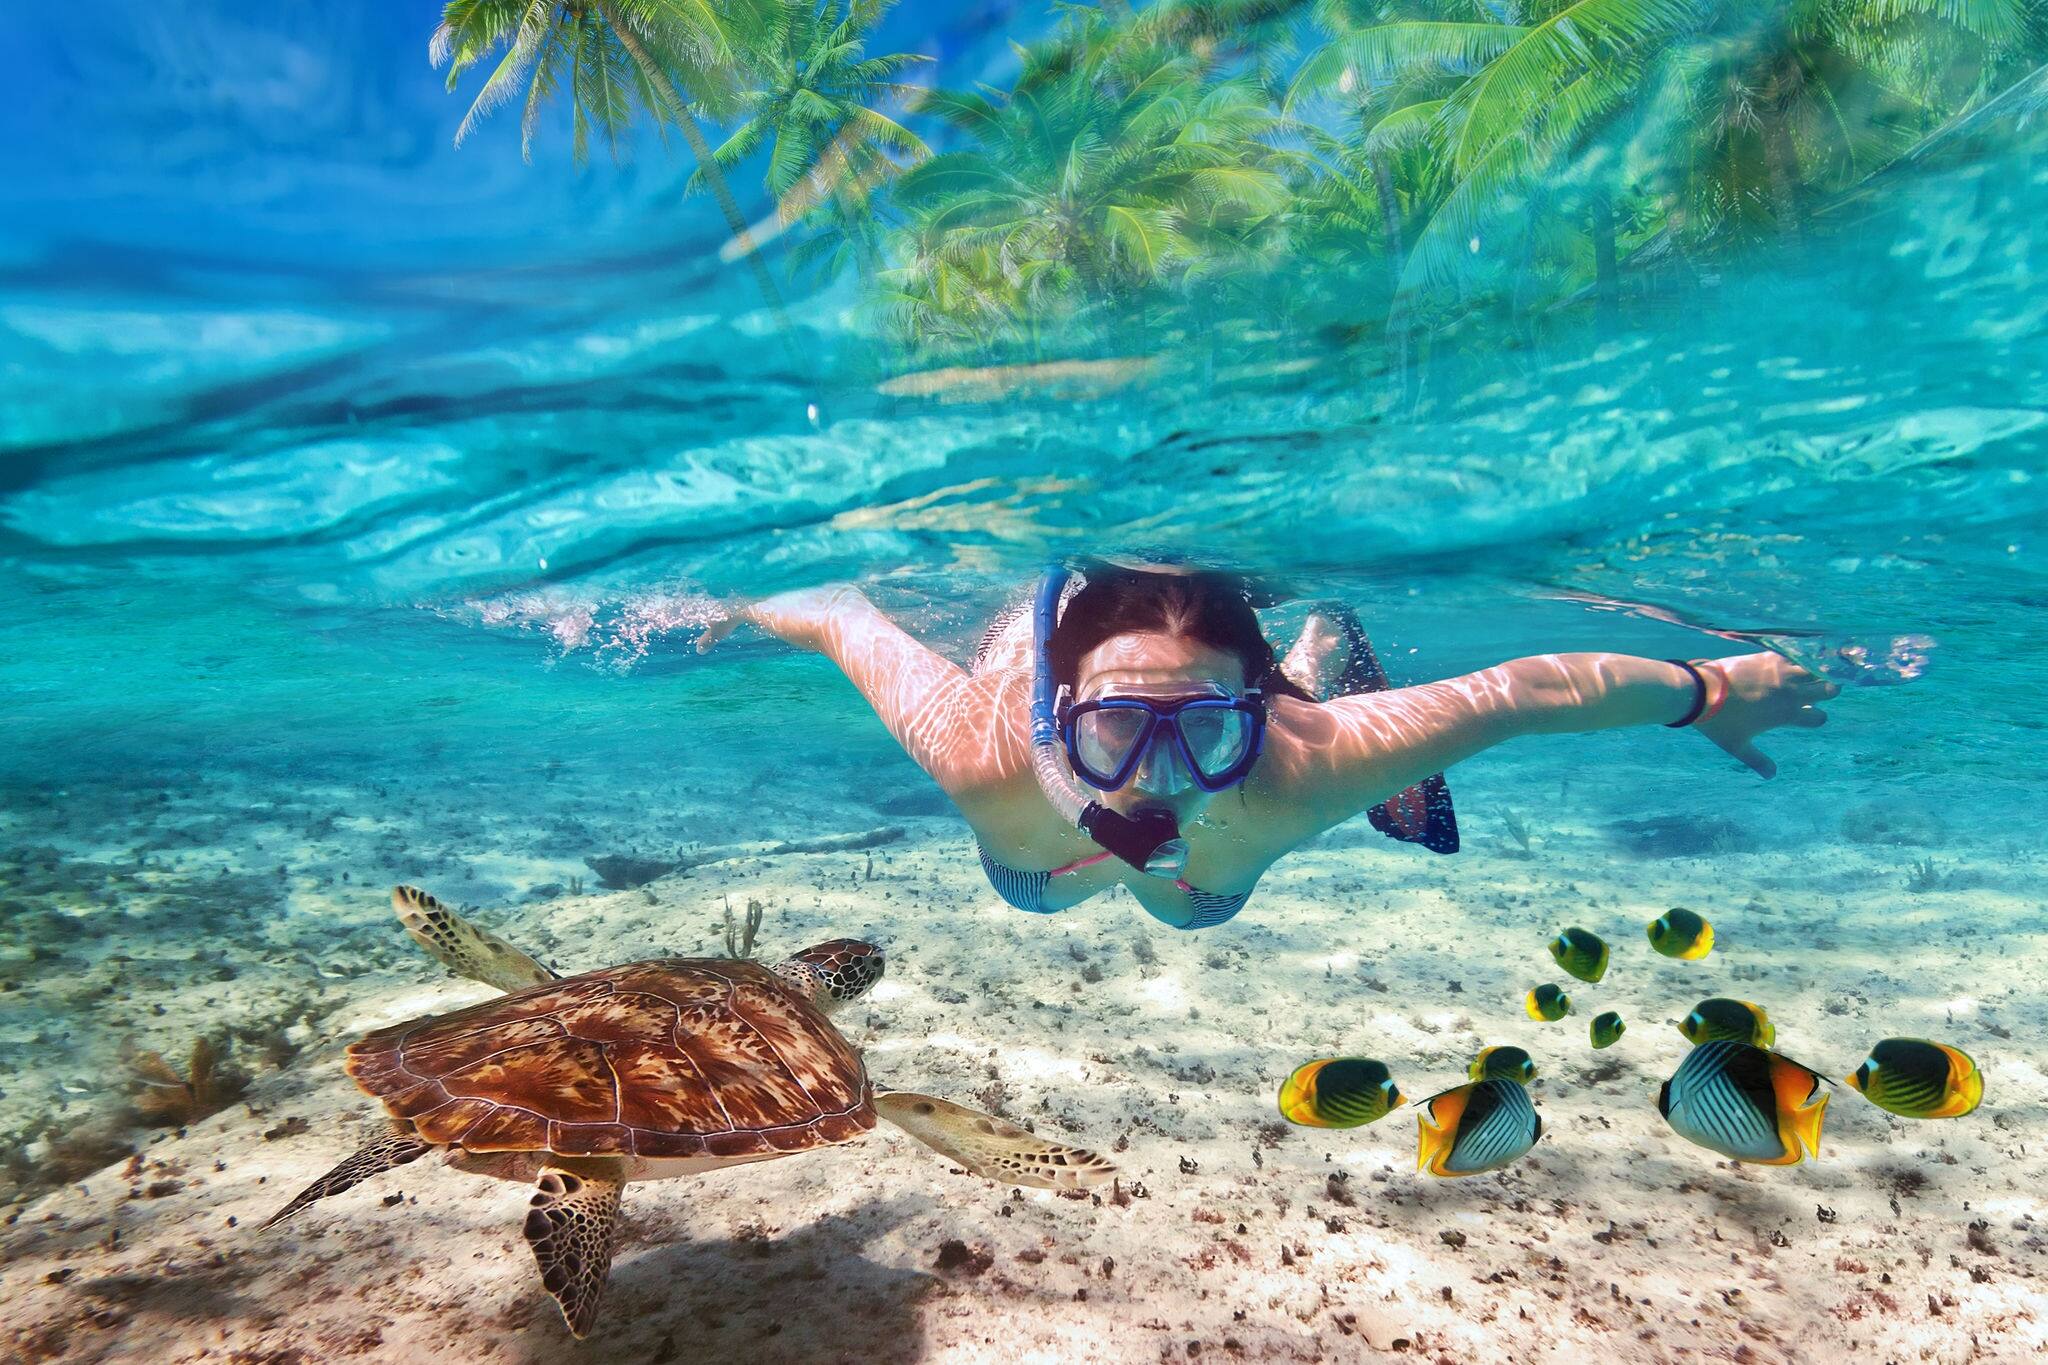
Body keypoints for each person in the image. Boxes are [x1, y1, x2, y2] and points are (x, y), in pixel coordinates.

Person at [696, 561, 1837, 930]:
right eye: (1111, 727)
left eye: (1203, 728)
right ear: (1056, 722)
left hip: (1208, 883)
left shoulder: (1305, 760)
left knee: (1189, 911)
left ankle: (1315, 646)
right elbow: (844, 610)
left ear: (1260, 709)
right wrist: (743, 603)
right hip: (1037, 867)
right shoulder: (983, 751)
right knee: (1035, 894)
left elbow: (1522, 693)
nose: (1155, 775)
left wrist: (1710, 687)